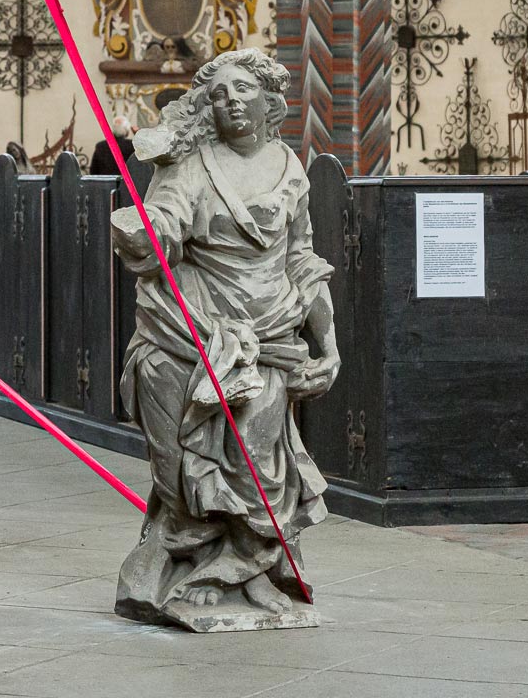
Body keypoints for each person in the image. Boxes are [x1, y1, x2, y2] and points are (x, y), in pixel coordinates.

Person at [109, 49, 337, 630]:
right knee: (182, 462)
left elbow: (303, 261)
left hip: (267, 335)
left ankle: (248, 570)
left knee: (260, 461)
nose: (229, 100)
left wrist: (328, 347)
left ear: (268, 101)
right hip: (187, 328)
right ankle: (189, 559)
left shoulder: (290, 167)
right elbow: (164, 222)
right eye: (217, 94)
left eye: (242, 89)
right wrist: (144, 230)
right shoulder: (191, 166)